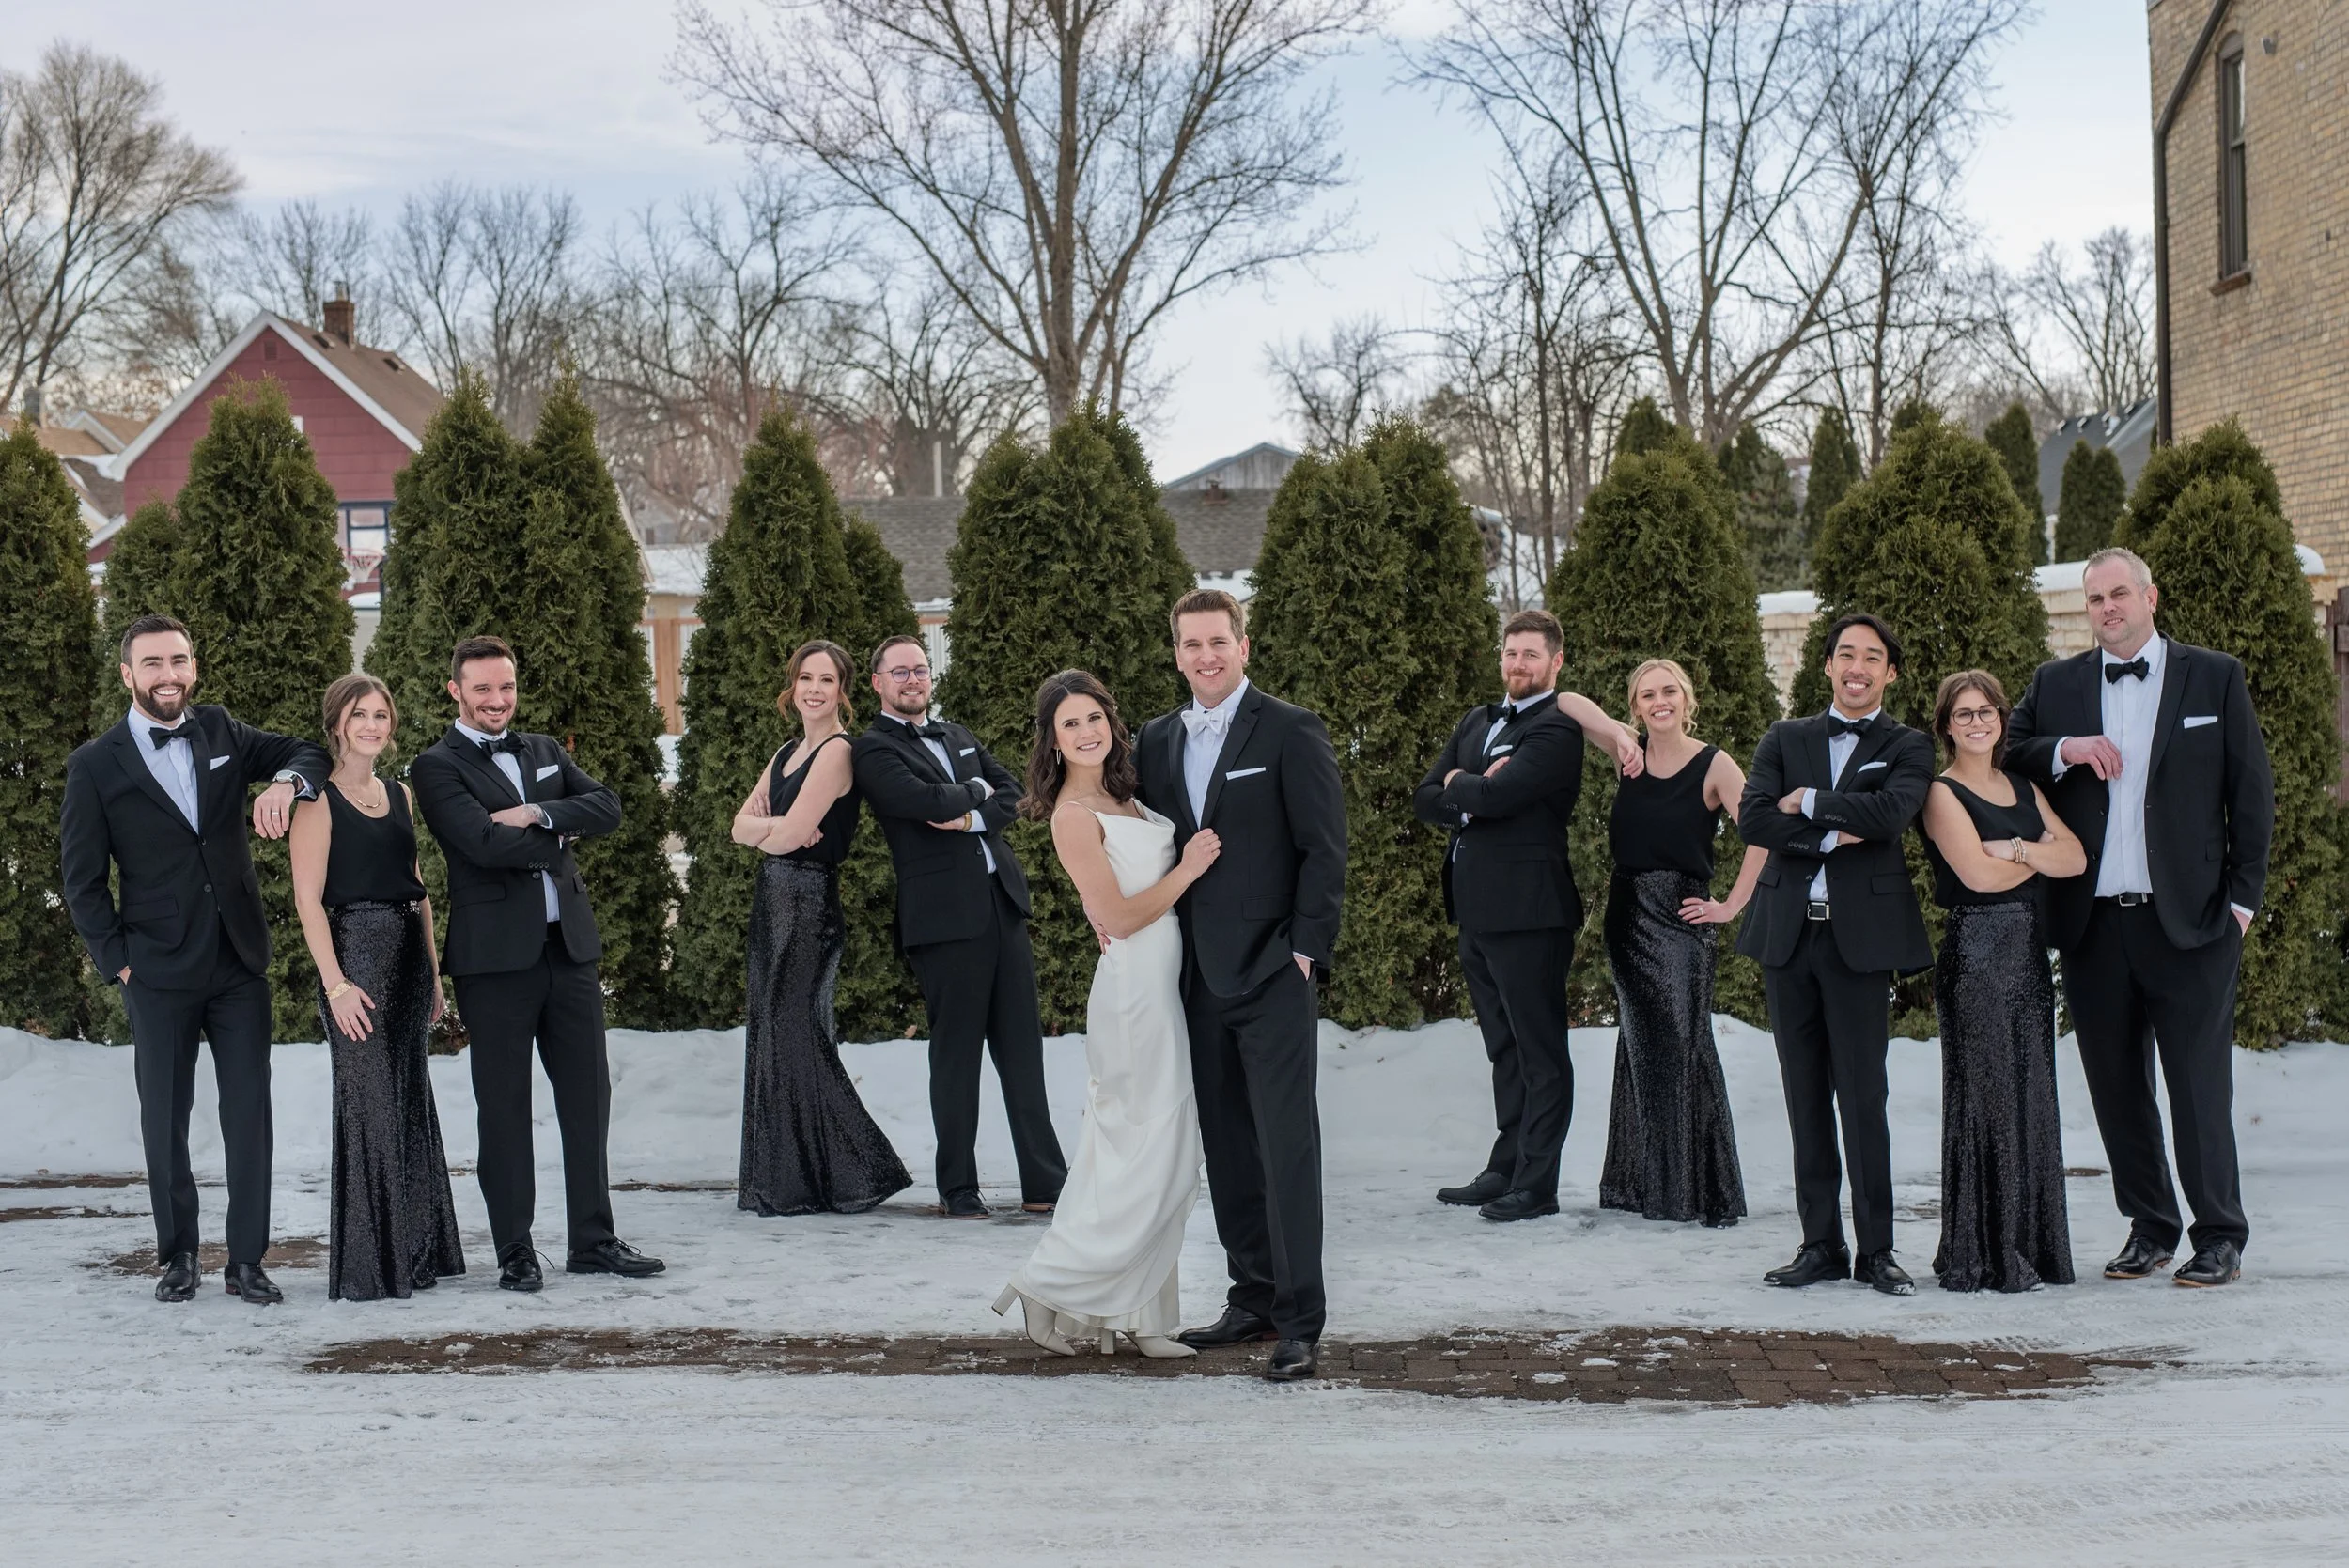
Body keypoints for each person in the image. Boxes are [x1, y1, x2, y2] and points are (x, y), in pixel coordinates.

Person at [2006, 547, 2273, 1288]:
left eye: (2119, 594)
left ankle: (2218, 1233)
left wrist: (2241, 906)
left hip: (2190, 924)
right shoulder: (2056, 684)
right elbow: (2006, 749)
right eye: (2095, 600)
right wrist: (2065, 747)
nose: (2108, 609)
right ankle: (2150, 1224)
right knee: (2117, 1086)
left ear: (2150, 596)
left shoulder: (2213, 675)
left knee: (2197, 1088)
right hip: (2094, 925)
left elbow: (2252, 797)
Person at [59, 614, 330, 1305]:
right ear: (128, 674)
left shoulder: (220, 730)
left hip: (238, 961)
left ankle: (247, 1260)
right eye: (152, 663)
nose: (168, 674)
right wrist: (119, 962)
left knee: (249, 1116)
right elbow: (82, 880)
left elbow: (307, 752)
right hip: (156, 970)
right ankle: (178, 1254)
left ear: (194, 666)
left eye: (178, 660)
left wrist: (283, 786)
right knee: (166, 1119)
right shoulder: (95, 763)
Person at [1134, 588, 1346, 1384]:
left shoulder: (1289, 730)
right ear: (1178, 651)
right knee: (1225, 1144)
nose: (1205, 656)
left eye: (1217, 641)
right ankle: (1251, 1294)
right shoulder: (1155, 740)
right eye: (1191, 644)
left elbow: (1324, 848)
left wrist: (1304, 952)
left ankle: (1299, 1318)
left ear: (1244, 645)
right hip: (1190, 977)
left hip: (1270, 973)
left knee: (1286, 1147)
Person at [410, 635, 664, 1291]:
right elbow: (481, 843)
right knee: (504, 1106)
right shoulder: (435, 765)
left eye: (507, 687)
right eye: (484, 689)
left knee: (589, 1098)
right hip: (495, 963)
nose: (498, 700)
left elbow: (606, 806)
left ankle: (593, 1239)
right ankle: (515, 1249)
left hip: (570, 951)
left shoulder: (545, 750)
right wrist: (557, 835)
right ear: (456, 691)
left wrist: (537, 813)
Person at [994, 671, 1219, 1359]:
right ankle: (1051, 1284)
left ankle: (1145, 1316)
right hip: (1132, 995)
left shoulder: (1125, 793)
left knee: (1155, 1155)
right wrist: (1185, 871)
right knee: (1147, 1153)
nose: (1086, 730)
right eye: (1070, 724)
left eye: (1094, 716)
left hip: (1160, 985)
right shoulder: (1071, 814)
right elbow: (1117, 917)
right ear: (1053, 742)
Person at [1736, 613, 1935, 1296]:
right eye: (1845, 654)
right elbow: (1755, 818)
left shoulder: (1907, 743)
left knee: (1862, 1095)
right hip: (1789, 937)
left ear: (1890, 672)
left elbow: (1892, 815)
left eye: (1872, 657)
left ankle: (1876, 1250)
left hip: (1861, 943)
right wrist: (1832, 831)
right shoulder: (1785, 736)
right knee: (1804, 1097)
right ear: (1826, 665)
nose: (1857, 666)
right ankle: (1820, 1242)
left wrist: (1814, 801)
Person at [1409, 609, 1627, 1221]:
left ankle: (1538, 1183)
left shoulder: (1556, 729)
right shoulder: (1477, 720)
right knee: (1504, 1048)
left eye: (1531, 655)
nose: (1517, 665)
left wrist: (1467, 787)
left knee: (1540, 1051)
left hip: (1531, 912)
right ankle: (1505, 1164)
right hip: (1476, 911)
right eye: (1510, 653)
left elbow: (1500, 795)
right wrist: (1464, 780)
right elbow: (1429, 796)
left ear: (1556, 661)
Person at [852, 634, 1066, 1219]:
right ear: (877, 683)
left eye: (920, 670)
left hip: (1003, 906)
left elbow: (1013, 794)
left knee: (1023, 1052)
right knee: (957, 1056)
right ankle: (959, 1188)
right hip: (944, 921)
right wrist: (972, 797)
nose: (913, 680)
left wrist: (970, 809)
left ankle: (1046, 1183)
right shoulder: (871, 749)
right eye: (899, 672)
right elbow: (920, 801)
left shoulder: (960, 735)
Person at [288, 674, 465, 1301]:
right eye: (359, 714)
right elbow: (307, 899)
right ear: (337, 722)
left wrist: (434, 973)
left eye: (380, 714)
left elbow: (418, 886)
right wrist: (335, 984)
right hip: (355, 960)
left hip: (408, 962)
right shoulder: (317, 799)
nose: (371, 724)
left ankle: (417, 1253)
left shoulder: (400, 792)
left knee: (410, 1102)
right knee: (369, 1109)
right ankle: (372, 1265)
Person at [1918, 669, 2086, 1293]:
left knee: (2030, 1097)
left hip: (2026, 959)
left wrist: (2014, 849)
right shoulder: (1941, 793)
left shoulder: (2022, 784)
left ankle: (2031, 1245)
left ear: (2001, 718)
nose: (1977, 723)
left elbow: (2075, 857)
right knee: (1986, 1100)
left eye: (1986, 711)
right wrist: (2036, 853)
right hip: (1976, 955)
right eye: (1963, 714)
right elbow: (1976, 877)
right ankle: (1984, 1251)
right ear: (1946, 726)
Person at [730, 641, 911, 1216]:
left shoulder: (837, 752)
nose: (813, 688)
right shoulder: (787, 749)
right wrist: (776, 828)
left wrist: (775, 828)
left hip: (809, 903)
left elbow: (781, 837)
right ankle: (793, 1179)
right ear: (793, 686)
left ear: (842, 691)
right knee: (774, 1033)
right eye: (805, 677)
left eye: (826, 679)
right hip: (772, 902)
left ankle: (858, 1170)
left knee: (797, 1034)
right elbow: (738, 826)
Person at [1597, 657, 1754, 1230]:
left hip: (1681, 920)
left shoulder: (1715, 764)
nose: (1658, 702)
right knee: (1640, 1048)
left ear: (1686, 700)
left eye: (1668, 692)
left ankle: (1697, 1190)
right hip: (1626, 915)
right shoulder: (1628, 755)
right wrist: (1617, 732)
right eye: (1645, 695)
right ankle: (1643, 1185)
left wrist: (1731, 904)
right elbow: (1567, 706)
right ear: (1635, 706)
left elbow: (1760, 834)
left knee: (1686, 1045)